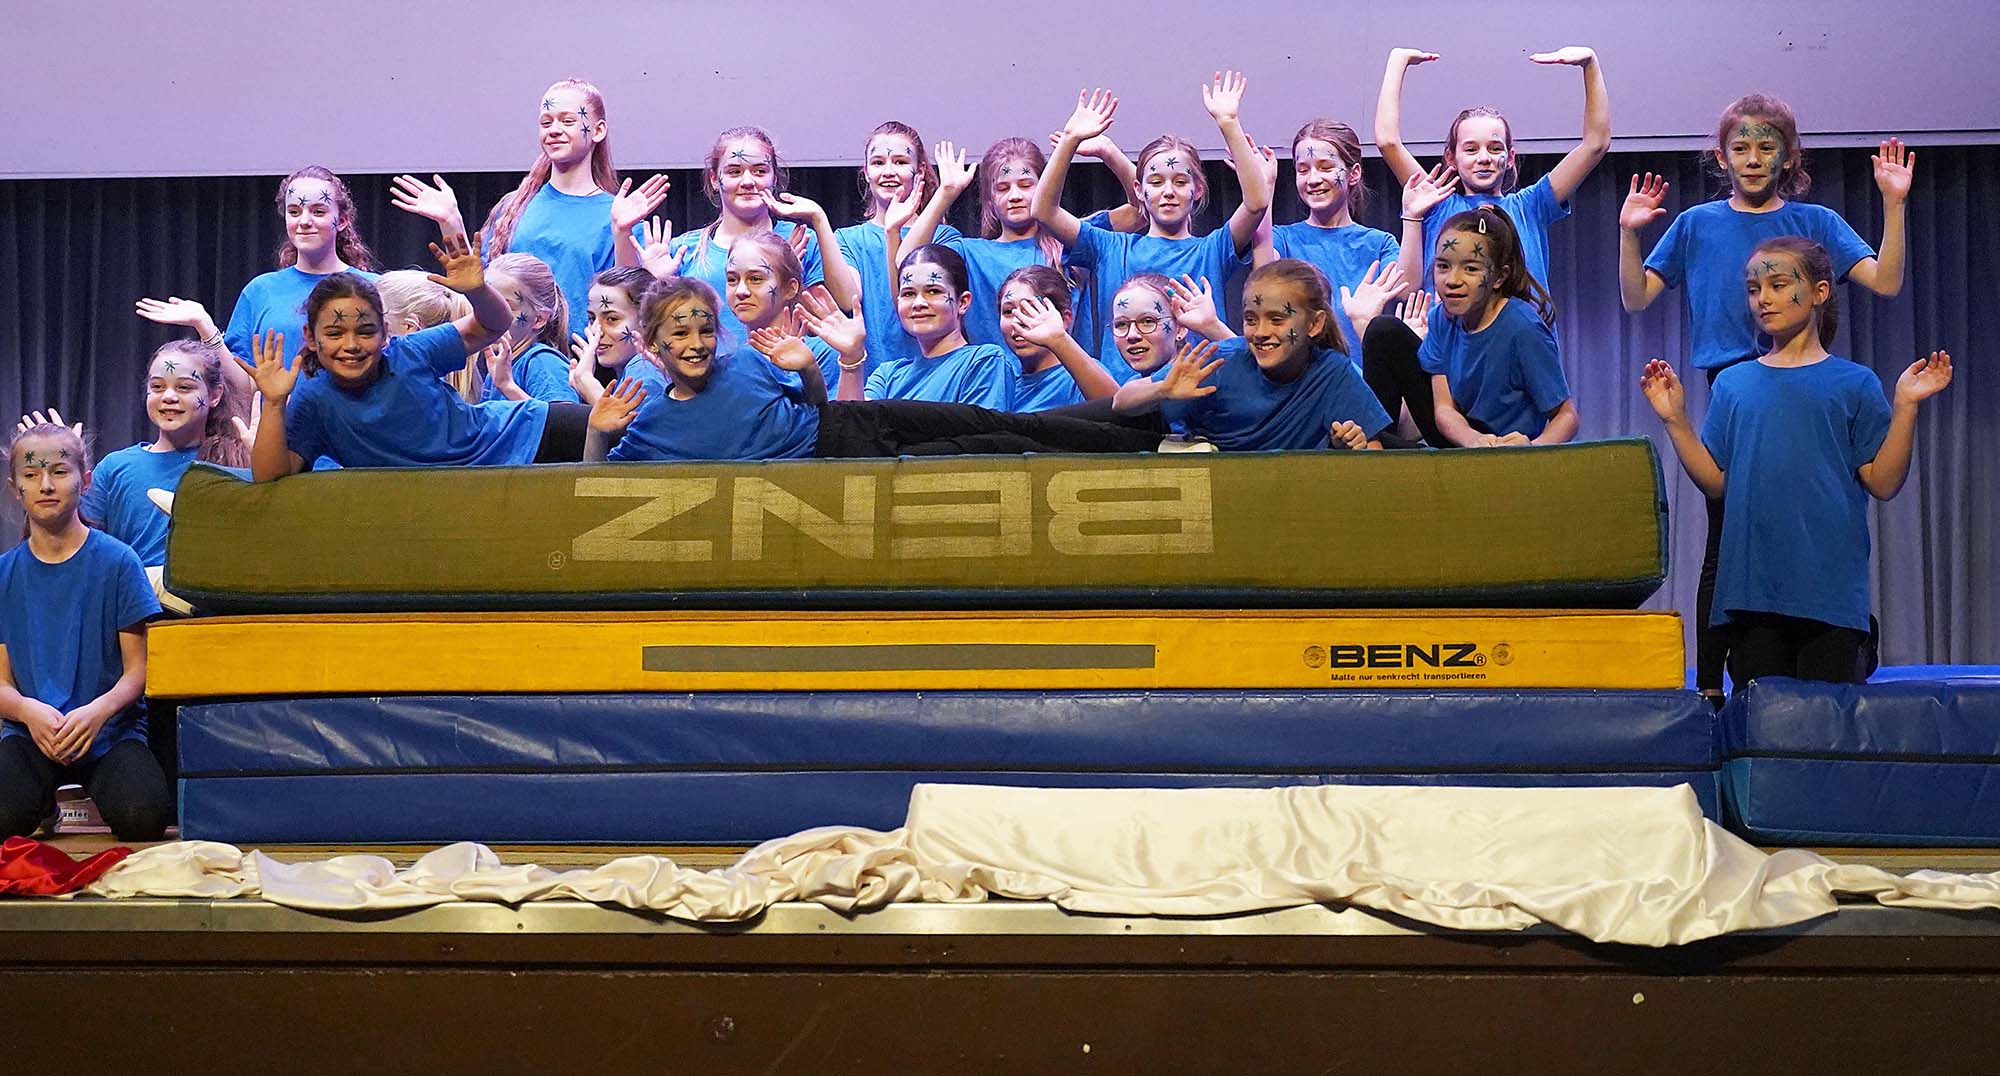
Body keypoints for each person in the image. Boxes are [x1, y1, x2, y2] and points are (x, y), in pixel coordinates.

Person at [1619, 93, 1913, 703]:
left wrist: (1893, 203)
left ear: (1788, 155)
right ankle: (1712, 685)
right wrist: (1627, 234)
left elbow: (1885, 281)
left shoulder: (1815, 222)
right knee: (1726, 538)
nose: (1753, 158)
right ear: (1721, 156)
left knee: (1809, 518)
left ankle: (1837, 635)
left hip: (1803, 383)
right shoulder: (1698, 223)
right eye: (1741, 147)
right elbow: (1636, 296)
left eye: (1766, 146)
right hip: (1736, 384)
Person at [1641, 237, 1950, 688]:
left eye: (1778, 285)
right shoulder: (1733, 384)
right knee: (1764, 721)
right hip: (1753, 596)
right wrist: (1675, 420)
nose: (1763, 299)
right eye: (1753, 289)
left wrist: (1905, 406)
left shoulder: (1854, 384)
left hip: (1830, 596)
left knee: (1827, 722)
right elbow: (1717, 482)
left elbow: (1882, 482)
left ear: (1820, 291)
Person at [584, 278, 1158, 462]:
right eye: (681, 333)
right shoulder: (650, 420)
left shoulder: (746, 364)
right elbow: (591, 486)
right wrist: (595, 430)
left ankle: (1151, 439)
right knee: (998, 446)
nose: (697, 343)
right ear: (652, 345)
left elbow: (813, 402)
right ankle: (1140, 447)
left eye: (706, 329)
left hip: (852, 420)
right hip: (844, 462)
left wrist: (808, 369)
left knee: (1003, 422)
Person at [245, 230, 589, 478]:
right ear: (310, 337)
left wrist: (478, 290)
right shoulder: (314, 399)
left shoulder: (410, 352)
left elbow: (493, 324)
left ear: (385, 333)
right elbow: (271, 475)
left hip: (525, 433)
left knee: (617, 439)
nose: (351, 345)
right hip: (478, 481)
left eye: (365, 332)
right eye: (334, 334)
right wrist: (274, 404)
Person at [0, 421, 172, 841]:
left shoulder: (119, 562)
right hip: (32, 733)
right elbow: (2, 682)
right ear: (14, 488)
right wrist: (28, 712)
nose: (46, 485)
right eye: (31, 474)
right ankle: (43, 805)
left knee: (142, 817)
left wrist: (96, 713)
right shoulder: (5, 572)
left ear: (86, 480)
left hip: (108, 732)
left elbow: (137, 671)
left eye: (59, 471)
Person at [1034, 76, 1269, 344]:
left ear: (1198, 190)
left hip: (1201, 372)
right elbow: (1044, 211)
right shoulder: (1111, 248)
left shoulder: (1212, 250)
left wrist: (1229, 123)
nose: (1168, 192)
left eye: (1180, 182)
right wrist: (1070, 140)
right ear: (1139, 191)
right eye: (1156, 183)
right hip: (1121, 373)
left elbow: (1256, 203)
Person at [1375, 46, 1609, 291]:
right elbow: (1388, 141)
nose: (1484, 158)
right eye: (1471, 149)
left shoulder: (1531, 206)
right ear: (1451, 158)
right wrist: (1397, 61)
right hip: (1449, 319)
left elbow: (1595, 144)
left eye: (1495, 148)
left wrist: (1590, 64)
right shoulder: (1436, 204)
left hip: (1521, 318)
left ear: (1510, 157)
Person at [893, 134, 1143, 354]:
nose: (1014, 196)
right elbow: (907, 260)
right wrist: (946, 193)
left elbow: (1140, 211)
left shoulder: (1070, 240)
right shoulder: (971, 254)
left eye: (1025, 185)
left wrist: (1108, 152)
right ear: (990, 200)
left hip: (1065, 384)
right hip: (996, 384)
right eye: (1003, 188)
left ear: (1044, 187)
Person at [461, 79, 670, 336]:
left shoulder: (618, 217)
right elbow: (479, 284)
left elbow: (628, 304)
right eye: (546, 122)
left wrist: (622, 232)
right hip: (511, 351)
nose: (554, 130)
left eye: (568, 121)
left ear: (598, 130)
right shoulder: (514, 207)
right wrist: (451, 222)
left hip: (582, 354)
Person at [1113, 259, 1391, 451]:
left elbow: (1374, 453)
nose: (1260, 332)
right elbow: (1120, 402)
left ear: (1314, 324)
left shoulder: (1333, 373)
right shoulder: (1221, 359)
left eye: (1277, 319)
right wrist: (1163, 388)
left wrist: (1350, 446)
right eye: (1250, 319)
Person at [136, 165, 379, 378]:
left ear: (342, 220)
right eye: (294, 212)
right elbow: (242, 384)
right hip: (278, 418)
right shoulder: (261, 291)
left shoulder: (375, 288)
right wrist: (204, 325)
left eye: (318, 211)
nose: (304, 221)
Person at [618, 126, 860, 339]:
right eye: (734, 172)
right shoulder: (684, 250)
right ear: (715, 179)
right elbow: (636, 328)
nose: (747, 181)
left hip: (782, 372)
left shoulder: (800, 239)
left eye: (759, 171)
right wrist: (652, 279)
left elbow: (844, 305)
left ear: (774, 177)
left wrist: (789, 274)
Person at [1413, 206, 1576, 446]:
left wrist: (1532, 449)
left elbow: (1566, 416)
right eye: (1443, 266)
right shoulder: (1440, 319)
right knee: (1385, 333)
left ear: (1499, 277)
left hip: (1510, 448)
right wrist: (1475, 440)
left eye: (1470, 269)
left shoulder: (1522, 328)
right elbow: (1444, 408)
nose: (1452, 280)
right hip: (1465, 438)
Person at [82, 342, 249, 569]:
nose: (168, 396)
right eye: (158, 387)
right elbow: (81, 544)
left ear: (214, 395)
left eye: (184, 387)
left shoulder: (233, 464)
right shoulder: (115, 467)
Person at [1260, 119, 1408, 353]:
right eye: (1303, 170)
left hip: (1363, 373)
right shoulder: (1283, 239)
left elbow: (1407, 289)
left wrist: (1413, 218)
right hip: (1303, 373)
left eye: (1326, 167)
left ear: (1353, 173)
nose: (1313, 179)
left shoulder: (1379, 244)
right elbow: (1262, 278)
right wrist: (1264, 189)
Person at [862, 244, 1016, 407]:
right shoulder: (886, 377)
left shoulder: (984, 362)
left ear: (963, 302)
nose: (918, 303)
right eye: (909, 293)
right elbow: (854, 420)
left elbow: (978, 423)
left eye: (933, 291)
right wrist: (851, 360)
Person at [996, 264, 1121, 411]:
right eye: (1008, 311)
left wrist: (1059, 339)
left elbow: (1117, 413)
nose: (1018, 320)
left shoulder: (1080, 377)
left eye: (1031, 308)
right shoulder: (1002, 386)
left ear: (1065, 319)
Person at [482, 253, 583, 404]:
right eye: (483, 303)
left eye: (504, 307)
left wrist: (508, 387)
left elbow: (566, 418)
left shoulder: (544, 363)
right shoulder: (500, 364)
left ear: (539, 319)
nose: (487, 315)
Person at [565, 266, 667, 406]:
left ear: (648, 322)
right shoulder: (626, 373)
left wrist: (587, 384)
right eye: (591, 318)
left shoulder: (647, 373)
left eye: (612, 319)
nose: (595, 330)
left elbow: (625, 421)